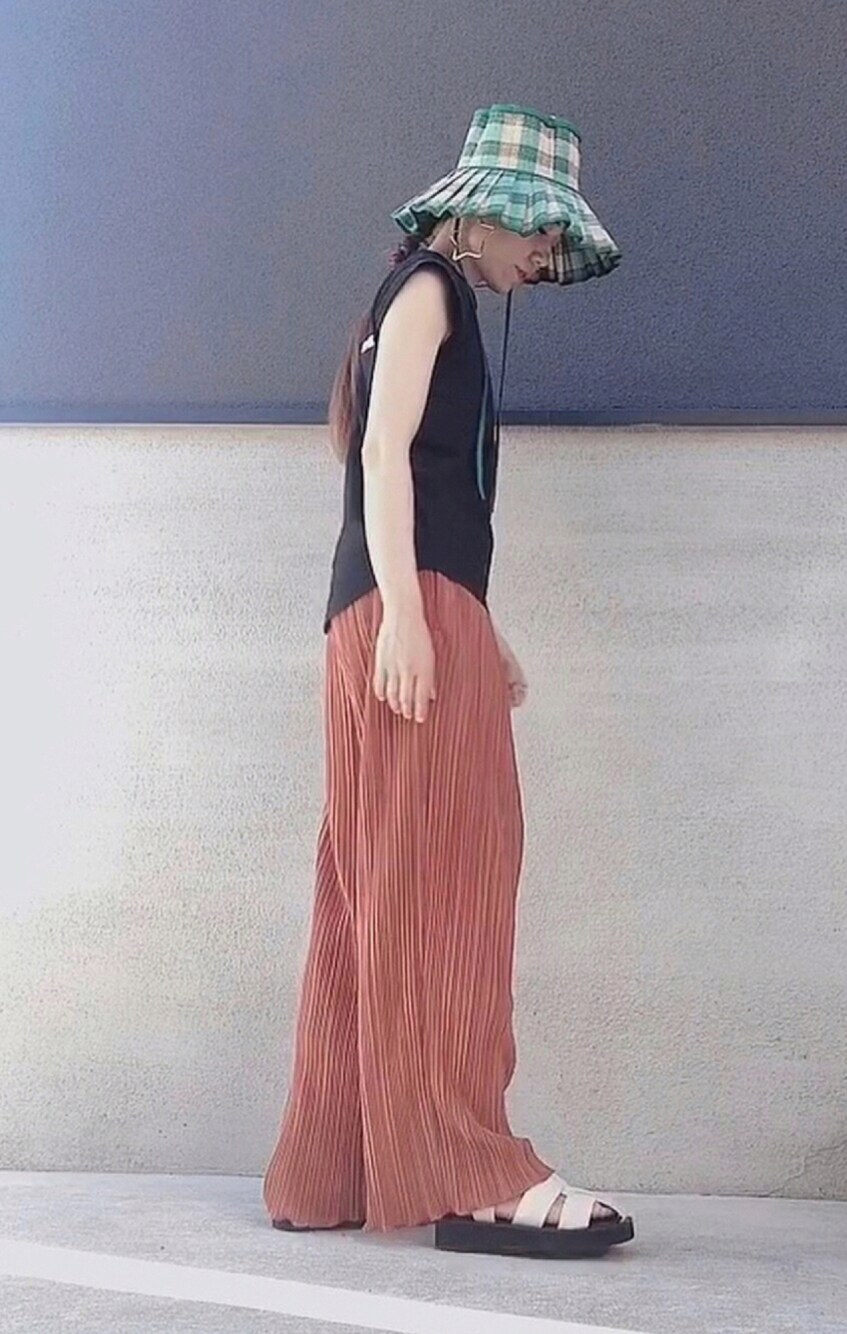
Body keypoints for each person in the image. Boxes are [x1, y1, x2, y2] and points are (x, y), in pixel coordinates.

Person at [262, 103, 632, 1259]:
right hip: (402, 608)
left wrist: (474, 621)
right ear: (490, 213)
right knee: (451, 884)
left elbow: (422, 481)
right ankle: (472, 1171)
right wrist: (415, 616)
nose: (546, 260)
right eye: (542, 233)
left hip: (408, 605)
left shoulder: (421, 293)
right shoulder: (428, 289)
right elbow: (382, 452)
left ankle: (333, 1164)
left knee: (374, 887)